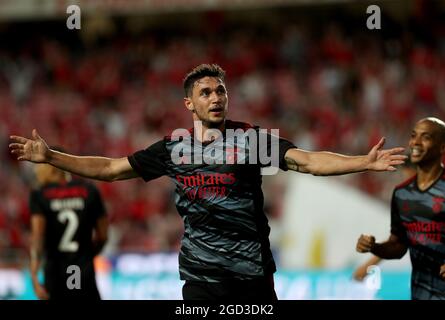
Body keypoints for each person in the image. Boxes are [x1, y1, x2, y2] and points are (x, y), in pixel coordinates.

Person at [10, 64, 406, 301]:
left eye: (220, 90)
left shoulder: (251, 140)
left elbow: (306, 161)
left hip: (252, 277)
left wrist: (363, 162)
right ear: (189, 104)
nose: (215, 97)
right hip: (201, 279)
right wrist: (52, 156)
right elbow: (112, 168)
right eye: (205, 92)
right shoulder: (173, 148)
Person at [356, 117, 445, 300]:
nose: (415, 141)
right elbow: (399, 244)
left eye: (426, 137)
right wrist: (373, 247)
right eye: (413, 135)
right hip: (421, 293)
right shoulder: (402, 194)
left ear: (443, 148)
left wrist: (370, 264)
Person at [29, 150, 108, 300]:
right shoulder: (89, 190)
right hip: (82, 271)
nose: (37, 172)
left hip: (55, 272)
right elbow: (103, 236)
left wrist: (33, 274)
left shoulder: (40, 194)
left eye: (39, 167)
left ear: (50, 167)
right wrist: (86, 255)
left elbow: (37, 238)